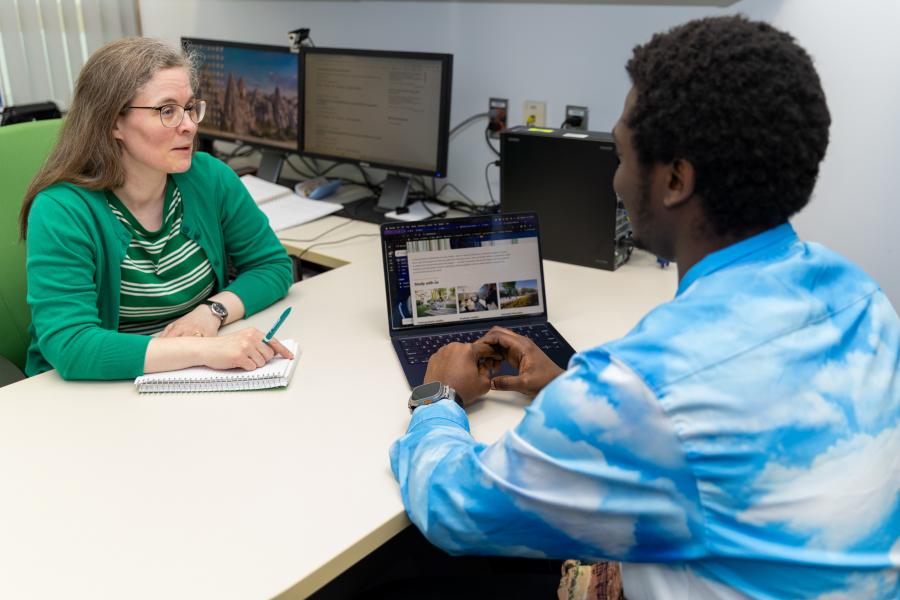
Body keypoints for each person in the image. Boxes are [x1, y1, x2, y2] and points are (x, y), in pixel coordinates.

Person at [390, 15, 900, 599]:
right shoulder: (862, 297)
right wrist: (568, 390)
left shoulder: (645, 385)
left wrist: (437, 397)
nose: (616, 180)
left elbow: (455, 510)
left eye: (623, 154)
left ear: (676, 178)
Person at [20, 37, 294, 380]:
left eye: (190, 107)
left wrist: (212, 312)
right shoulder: (62, 209)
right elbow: (72, 345)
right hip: (89, 394)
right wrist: (203, 350)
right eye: (167, 110)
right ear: (113, 123)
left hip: (185, 378)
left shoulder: (209, 177)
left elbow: (272, 265)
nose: (190, 125)